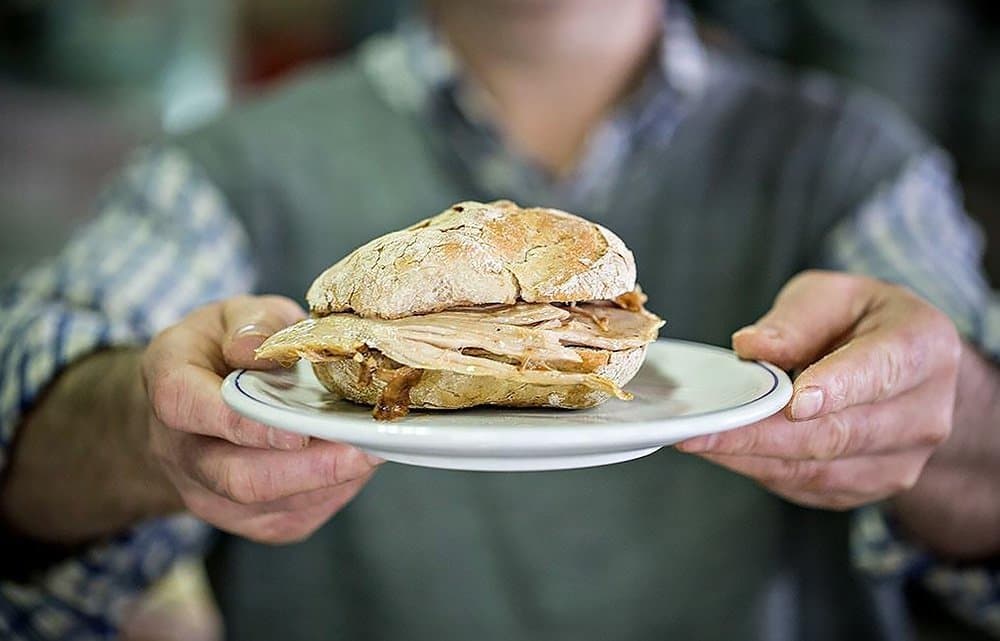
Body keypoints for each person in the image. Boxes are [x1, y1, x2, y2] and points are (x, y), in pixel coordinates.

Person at [1, 1, 999, 639]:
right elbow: (22, 394)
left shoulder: (856, 165)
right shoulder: (223, 167)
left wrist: (944, 411)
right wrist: (137, 421)